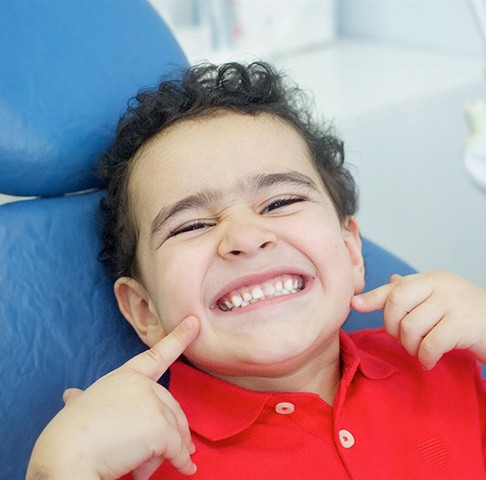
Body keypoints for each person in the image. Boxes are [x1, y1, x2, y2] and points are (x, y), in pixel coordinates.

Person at [27, 62, 486, 480]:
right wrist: (63, 466)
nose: (246, 237)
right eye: (193, 225)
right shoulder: (144, 455)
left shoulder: (444, 363)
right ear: (145, 310)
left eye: (280, 202)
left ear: (350, 253)